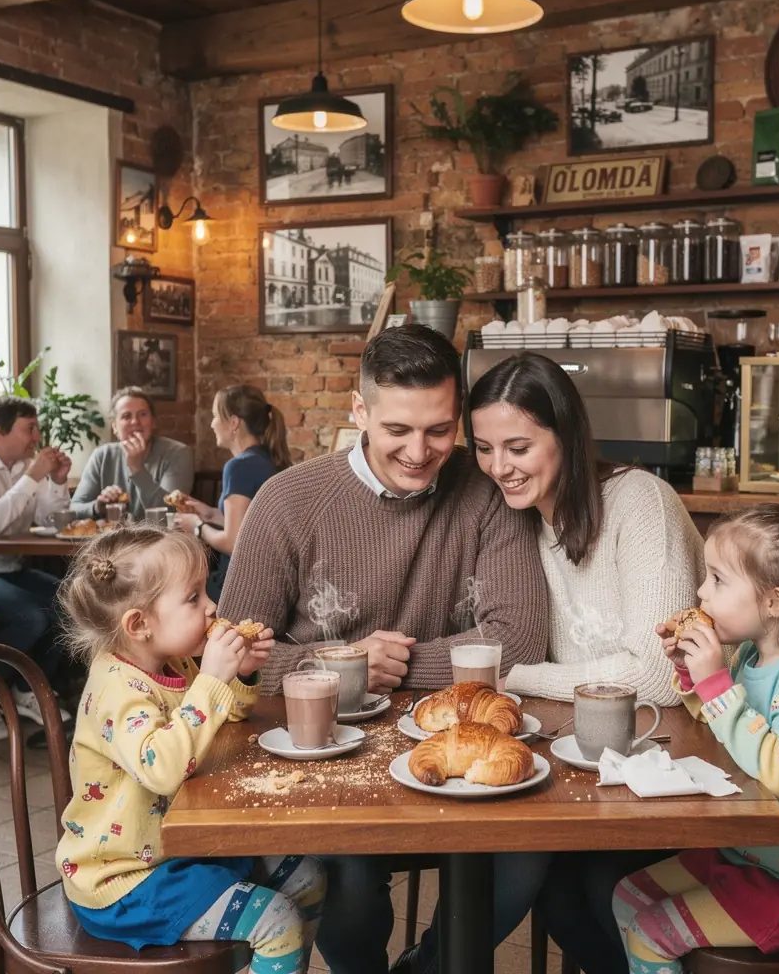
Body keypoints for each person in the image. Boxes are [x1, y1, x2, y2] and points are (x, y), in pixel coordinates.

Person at [217, 323, 549, 974]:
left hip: (458, 756)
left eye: (439, 429)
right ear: (360, 411)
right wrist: (344, 667)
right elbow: (230, 650)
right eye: (398, 429)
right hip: (328, 758)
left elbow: (520, 641)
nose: (420, 451)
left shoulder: (487, 493)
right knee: (347, 877)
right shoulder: (286, 502)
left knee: (529, 857)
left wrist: (398, 666)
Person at [607, 503, 779, 974]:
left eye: (717, 580)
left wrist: (716, 685)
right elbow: (726, 727)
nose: (700, 592)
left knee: (652, 934)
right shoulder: (750, 655)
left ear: (775, 601)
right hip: (748, 855)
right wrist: (693, 674)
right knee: (629, 894)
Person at [55, 525, 325, 971]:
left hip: (181, 852)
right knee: (279, 922)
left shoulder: (173, 660)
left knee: (308, 876)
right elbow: (162, 767)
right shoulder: (115, 692)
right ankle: (275, 953)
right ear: (139, 624)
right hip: (125, 881)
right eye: (193, 597)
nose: (212, 606)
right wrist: (213, 679)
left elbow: (227, 716)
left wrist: (239, 674)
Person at [469, 352, 704, 703]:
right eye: (484, 448)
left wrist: (518, 679)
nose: (499, 468)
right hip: (588, 728)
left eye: (518, 448)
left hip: (701, 731)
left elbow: (660, 676)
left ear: (565, 437)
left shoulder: (641, 501)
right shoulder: (511, 517)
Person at [0, 396, 73, 740]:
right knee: (30, 616)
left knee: (71, 604)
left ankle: (25, 689)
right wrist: (34, 475)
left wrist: (57, 480)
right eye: (29, 429)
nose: (36, 437)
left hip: (8, 569)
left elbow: (49, 521)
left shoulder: (24, 467)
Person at [170, 385, 291, 602]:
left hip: (238, 585)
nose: (212, 423)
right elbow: (251, 525)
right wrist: (208, 513)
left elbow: (234, 542)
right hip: (271, 581)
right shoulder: (269, 459)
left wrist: (197, 527)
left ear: (234, 423)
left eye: (216, 416)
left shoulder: (239, 467)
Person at [71, 387, 193, 521]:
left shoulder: (178, 454)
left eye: (142, 414)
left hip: (159, 540)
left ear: (153, 422)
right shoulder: (102, 456)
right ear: (115, 427)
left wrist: (138, 470)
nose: (135, 422)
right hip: (113, 539)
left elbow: (170, 514)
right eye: (126, 416)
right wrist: (98, 506)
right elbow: (74, 508)